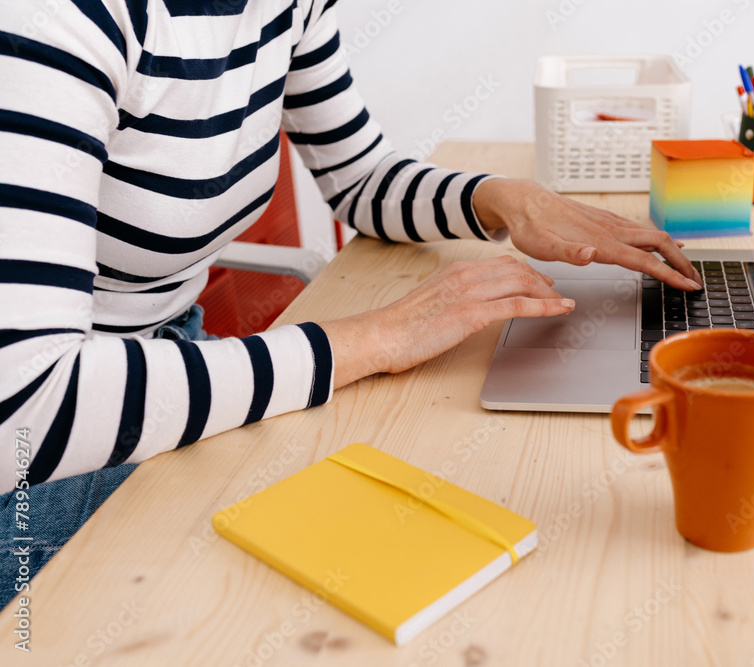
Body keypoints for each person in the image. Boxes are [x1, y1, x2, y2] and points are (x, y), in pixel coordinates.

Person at [0, 0, 700, 604]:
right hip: (55, 449)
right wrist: (374, 339)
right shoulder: (57, 22)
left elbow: (359, 177)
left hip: (175, 360)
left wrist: (505, 200)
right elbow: (27, 407)